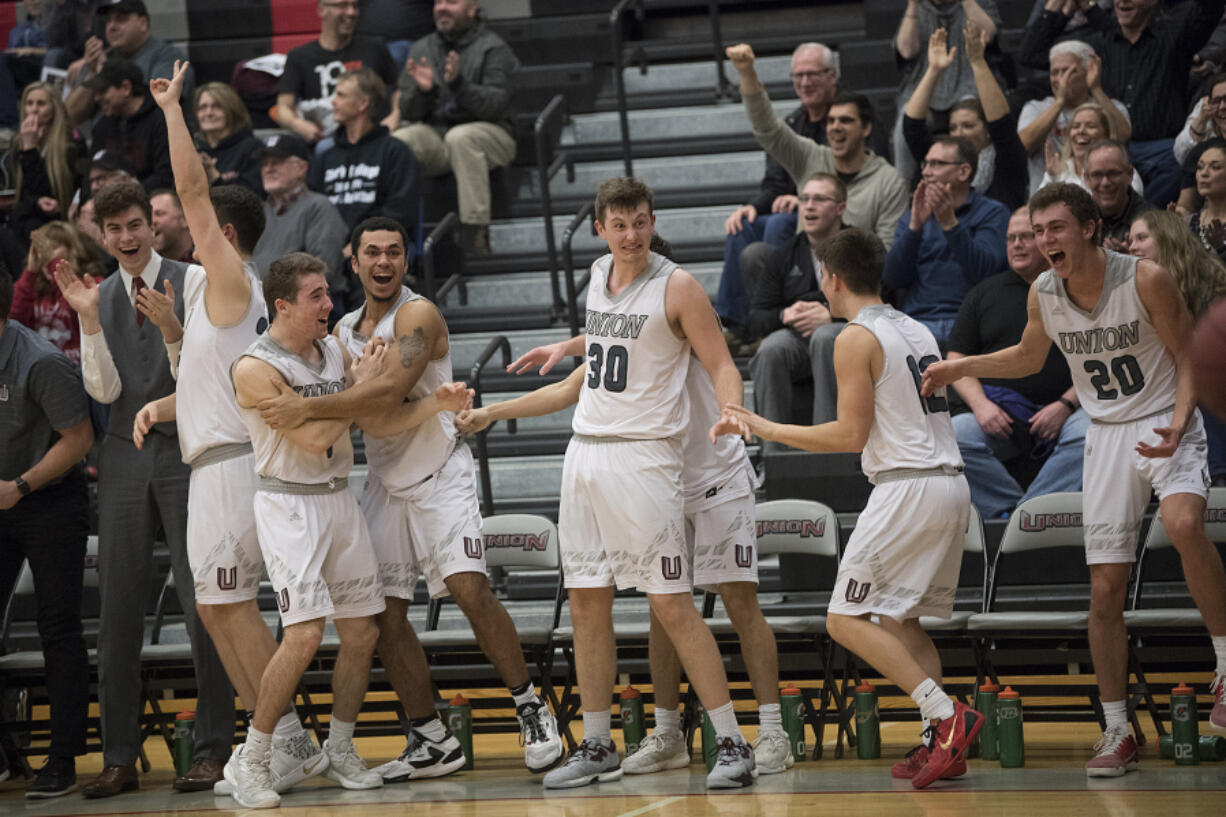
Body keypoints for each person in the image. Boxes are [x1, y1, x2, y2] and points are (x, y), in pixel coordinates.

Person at [921, 182, 1226, 774]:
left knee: (1184, 522)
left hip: (1165, 417)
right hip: (1106, 432)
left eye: (1054, 228)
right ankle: (1116, 729)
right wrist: (964, 366)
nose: (1043, 241)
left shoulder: (1144, 279)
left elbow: (1190, 356)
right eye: (1037, 232)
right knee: (1106, 590)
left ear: (1088, 227)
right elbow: (1029, 357)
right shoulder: (1044, 291)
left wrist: (1182, 420)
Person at [253, 216, 565, 780]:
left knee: (470, 589)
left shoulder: (418, 315)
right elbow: (365, 409)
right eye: (372, 252)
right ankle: (429, 737)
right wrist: (329, 402)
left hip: (440, 472)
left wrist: (310, 408)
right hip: (382, 481)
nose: (383, 262)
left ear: (405, 259)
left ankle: (531, 708)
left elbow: (391, 390)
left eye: (394, 252)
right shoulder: (342, 331)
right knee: (382, 617)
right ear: (354, 260)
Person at [473, 301, 793, 777]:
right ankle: (667, 734)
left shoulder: (685, 312)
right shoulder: (622, 334)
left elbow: (710, 356)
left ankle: (773, 732)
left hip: (717, 477)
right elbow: (570, 384)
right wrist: (500, 403)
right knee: (661, 608)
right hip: (659, 483)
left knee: (740, 603)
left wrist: (736, 413)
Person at [714, 227, 982, 790]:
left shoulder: (853, 337)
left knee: (844, 618)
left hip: (907, 486)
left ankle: (946, 716)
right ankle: (942, 741)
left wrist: (766, 426)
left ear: (829, 279)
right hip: (949, 483)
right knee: (900, 620)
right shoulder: (917, 327)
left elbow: (850, 434)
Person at [136, 62, 332, 797]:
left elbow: (190, 191)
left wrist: (173, 111)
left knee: (227, 604)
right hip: (222, 458)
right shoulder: (229, 301)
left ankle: (280, 741)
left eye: (196, 226)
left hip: (230, 468)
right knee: (220, 608)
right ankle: (283, 738)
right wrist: (169, 359)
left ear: (221, 234)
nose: (181, 230)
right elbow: (210, 382)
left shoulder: (228, 276)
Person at [53, 180, 234, 797]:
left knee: (201, 599)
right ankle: (120, 756)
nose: (127, 238)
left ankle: (213, 748)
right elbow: (102, 393)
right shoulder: (98, 294)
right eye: (115, 230)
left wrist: (172, 329)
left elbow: (208, 378)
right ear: (101, 236)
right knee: (117, 610)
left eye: (136, 225)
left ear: (154, 227)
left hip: (187, 445)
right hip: (123, 455)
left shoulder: (194, 279)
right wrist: (89, 323)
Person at [228, 253, 389, 809]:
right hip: (289, 505)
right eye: (317, 296)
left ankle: (340, 748)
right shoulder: (255, 368)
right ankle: (253, 759)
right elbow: (314, 439)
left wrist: (353, 391)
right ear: (283, 305)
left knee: (363, 631)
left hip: (338, 498)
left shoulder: (332, 350)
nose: (329, 304)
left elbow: (352, 411)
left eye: (327, 293)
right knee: (303, 635)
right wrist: (357, 391)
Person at [0, 268, 94, 799]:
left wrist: (20, 484)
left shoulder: (40, 361)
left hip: (49, 496)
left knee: (57, 626)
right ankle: (5, 753)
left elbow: (79, 438)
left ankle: (61, 760)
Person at [946, 207, 1088, 518]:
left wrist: (1065, 404)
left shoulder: (1078, 289)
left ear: (1045, 241)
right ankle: (1010, 515)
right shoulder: (984, 293)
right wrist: (981, 405)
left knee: (1092, 437)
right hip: (999, 414)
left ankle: (1033, 512)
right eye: (1011, 238)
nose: (1017, 244)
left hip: (1069, 409)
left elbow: (1101, 357)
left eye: (1026, 236)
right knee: (954, 438)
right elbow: (957, 358)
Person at [1020, 0, 1226, 206]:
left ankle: (1139, 218)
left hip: (1155, 148)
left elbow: (1210, 9)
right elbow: (1031, 54)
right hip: (1107, 144)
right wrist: (1062, 9)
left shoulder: (1175, 35)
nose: (1123, 1)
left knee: (1176, 157)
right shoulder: (1099, 43)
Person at [726, 44, 908, 251]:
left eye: (845, 121)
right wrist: (747, 74)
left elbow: (887, 252)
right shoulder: (811, 157)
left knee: (778, 226)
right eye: (831, 121)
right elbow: (767, 129)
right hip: (806, 276)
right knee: (750, 246)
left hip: (855, 276)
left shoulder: (888, 181)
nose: (836, 128)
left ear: (866, 128)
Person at [716, 41, 837, 335]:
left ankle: (774, 309)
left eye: (813, 74)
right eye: (798, 76)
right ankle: (735, 325)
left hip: (817, 213)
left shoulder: (846, 120)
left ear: (832, 76)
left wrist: (802, 200)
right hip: (784, 208)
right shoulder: (792, 122)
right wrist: (752, 207)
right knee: (741, 226)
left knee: (781, 222)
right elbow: (772, 183)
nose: (805, 82)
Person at [393, 0, 518, 255]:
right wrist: (423, 92)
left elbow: (495, 106)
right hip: (439, 137)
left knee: (461, 137)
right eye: (438, 2)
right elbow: (407, 110)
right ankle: (398, 233)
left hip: (493, 134)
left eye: (451, 2)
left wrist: (459, 84)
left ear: (471, 9)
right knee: (400, 141)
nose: (441, 8)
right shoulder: (422, 47)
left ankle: (476, 233)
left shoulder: (493, 48)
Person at [882, 136, 1011, 349]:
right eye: (926, 164)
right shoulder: (912, 217)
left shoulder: (993, 213)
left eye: (937, 164)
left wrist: (951, 225)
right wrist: (914, 229)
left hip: (971, 322)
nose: (926, 172)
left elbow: (984, 273)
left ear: (964, 172)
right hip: (917, 321)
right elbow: (893, 278)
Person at [1128, 209, 1226, 484]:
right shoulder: (1132, 288)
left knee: (1207, 391)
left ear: (1167, 239)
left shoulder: (1211, 282)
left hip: (1203, 381)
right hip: (1155, 385)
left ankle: (1218, 480)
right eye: (1130, 240)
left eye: (1141, 238)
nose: (1132, 246)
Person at [745, 173, 847, 429]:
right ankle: (773, 454)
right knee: (771, 348)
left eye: (820, 199)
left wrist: (830, 316)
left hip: (850, 334)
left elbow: (881, 304)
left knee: (825, 337)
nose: (809, 205)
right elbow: (756, 318)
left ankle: (828, 446)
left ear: (840, 209)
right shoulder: (783, 254)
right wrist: (784, 315)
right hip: (798, 339)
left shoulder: (860, 247)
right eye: (805, 199)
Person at [902, 24, 1029, 210]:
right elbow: (912, 127)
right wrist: (934, 70)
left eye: (968, 125)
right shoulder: (941, 160)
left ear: (987, 130)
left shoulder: (1007, 160)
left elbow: (1002, 124)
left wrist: (978, 62)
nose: (959, 133)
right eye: (953, 127)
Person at [892, 0, 1002, 182]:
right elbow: (906, 50)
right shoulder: (917, 8)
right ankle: (900, 188)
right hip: (926, 82)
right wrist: (912, 6)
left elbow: (987, 35)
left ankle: (977, 181)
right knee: (904, 121)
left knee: (970, 112)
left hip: (969, 80)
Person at [310, 68, 418, 237]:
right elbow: (313, 209)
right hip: (330, 251)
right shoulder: (326, 156)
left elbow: (399, 214)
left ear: (363, 103)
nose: (333, 102)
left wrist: (358, 245)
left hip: (378, 250)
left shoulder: (395, 152)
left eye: (341, 95)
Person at [276, 0, 398, 147]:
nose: (351, 12)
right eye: (342, 6)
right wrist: (298, 125)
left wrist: (395, 115)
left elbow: (400, 88)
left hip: (370, 134)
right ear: (322, 10)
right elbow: (283, 107)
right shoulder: (299, 56)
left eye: (354, 6)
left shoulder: (374, 48)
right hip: (325, 136)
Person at [1018, 39, 1131, 196]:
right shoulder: (1036, 108)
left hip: (1101, 198)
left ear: (1088, 72)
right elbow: (1022, 145)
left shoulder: (1110, 105)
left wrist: (1095, 88)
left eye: (1067, 71)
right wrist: (1059, 102)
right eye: (1054, 73)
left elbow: (1123, 135)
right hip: (1046, 199)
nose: (1059, 79)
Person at [250, 133, 351, 309]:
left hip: (299, 310)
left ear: (302, 168)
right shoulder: (259, 212)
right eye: (265, 164)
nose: (268, 169)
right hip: (256, 307)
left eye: (277, 162)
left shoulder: (319, 207)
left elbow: (323, 271)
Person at [64, 0, 193, 125]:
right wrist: (93, 72)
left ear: (143, 23)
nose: (111, 27)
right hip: (108, 142)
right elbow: (69, 117)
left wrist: (107, 74)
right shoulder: (100, 59)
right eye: (108, 20)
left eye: (120, 19)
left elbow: (163, 101)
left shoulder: (167, 56)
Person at [10, 221, 107, 365]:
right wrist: (30, 273)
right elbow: (13, 323)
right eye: (40, 250)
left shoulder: (92, 283)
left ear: (72, 250)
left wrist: (52, 264)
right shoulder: (30, 289)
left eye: (52, 248)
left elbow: (81, 311)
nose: (44, 256)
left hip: (79, 372)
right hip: (39, 372)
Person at [7, 81, 85, 242]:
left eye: (41, 104)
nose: (34, 109)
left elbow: (48, 192)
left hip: (58, 217)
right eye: (29, 103)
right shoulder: (18, 141)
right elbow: (23, 194)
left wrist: (29, 150)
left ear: (54, 107)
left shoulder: (71, 143)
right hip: (29, 213)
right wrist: (35, 203)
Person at [85, 57, 172, 192]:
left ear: (126, 88)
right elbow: (91, 174)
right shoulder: (102, 127)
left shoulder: (161, 120)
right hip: (110, 200)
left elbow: (167, 176)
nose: (96, 98)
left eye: (103, 91)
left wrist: (129, 190)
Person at [1040, 103, 1142, 197]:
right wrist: (1052, 178)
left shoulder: (1122, 170)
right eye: (1075, 126)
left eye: (1090, 126)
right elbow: (1036, 209)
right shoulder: (1059, 170)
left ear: (1105, 136)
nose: (1080, 131)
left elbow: (1130, 201)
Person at [1082, 139, 1153, 251]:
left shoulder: (1153, 223)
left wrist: (1130, 261)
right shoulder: (1078, 221)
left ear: (1130, 174)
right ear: (1086, 179)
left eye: (1113, 173)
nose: (1105, 182)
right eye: (1097, 175)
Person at [194, 82, 263, 193]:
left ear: (232, 110)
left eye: (216, 106)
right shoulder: (195, 150)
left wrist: (215, 178)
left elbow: (253, 195)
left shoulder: (252, 148)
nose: (209, 113)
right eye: (202, 107)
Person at [1190, 143, 1226, 266]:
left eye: (1215, 167)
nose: (1204, 173)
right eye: (1200, 167)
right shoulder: (1189, 222)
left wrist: (1221, 249)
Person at [149, 190, 193, 263]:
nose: (152, 221)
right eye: (149, 216)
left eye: (159, 214)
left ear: (185, 219)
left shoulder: (206, 260)